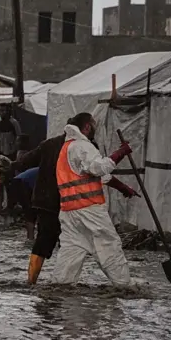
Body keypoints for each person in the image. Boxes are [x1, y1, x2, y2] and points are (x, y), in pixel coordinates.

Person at [17, 115, 137, 285]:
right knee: (108, 246)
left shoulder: (64, 148)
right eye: (94, 126)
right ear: (87, 127)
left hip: (67, 211)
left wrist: (123, 187)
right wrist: (120, 153)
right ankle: (125, 286)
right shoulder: (83, 146)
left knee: (70, 251)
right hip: (88, 211)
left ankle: (57, 285)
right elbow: (100, 169)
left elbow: (89, 177)